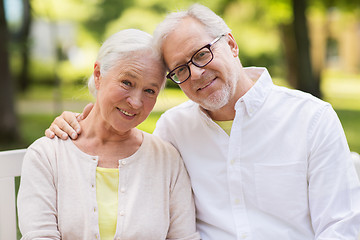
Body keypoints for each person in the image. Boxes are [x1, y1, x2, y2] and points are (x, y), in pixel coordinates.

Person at [45, 4, 360, 240]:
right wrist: (76, 124)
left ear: (232, 45)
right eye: (180, 69)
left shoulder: (311, 119)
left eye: (201, 54)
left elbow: (341, 228)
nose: (195, 73)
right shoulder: (173, 131)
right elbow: (117, 141)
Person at [18, 29, 200, 240]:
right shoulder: (47, 155)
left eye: (150, 91)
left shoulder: (168, 160)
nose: (136, 102)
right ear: (98, 75)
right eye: (127, 82)